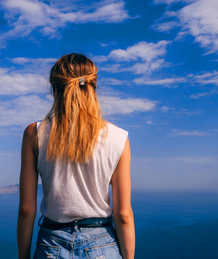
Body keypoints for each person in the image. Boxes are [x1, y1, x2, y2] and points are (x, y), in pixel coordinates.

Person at [17, 53, 135, 259]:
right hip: (102, 246)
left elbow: (27, 209)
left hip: (51, 245)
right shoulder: (119, 138)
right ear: (93, 88)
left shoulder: (34, 133)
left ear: (55, 90)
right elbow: (123, 215)